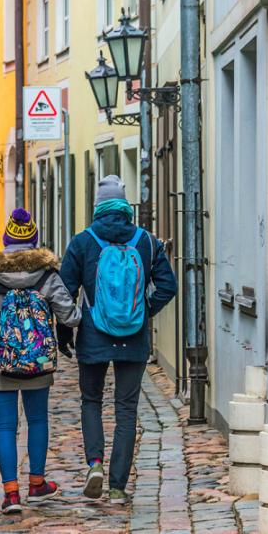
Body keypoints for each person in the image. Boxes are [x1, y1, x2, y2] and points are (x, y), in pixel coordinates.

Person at [59, 175, 178, 504]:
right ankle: (116, 486)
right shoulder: (147, 241)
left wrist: (65, 330)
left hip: (93, 336)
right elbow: (168, 286)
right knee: (127, 410)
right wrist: (142, 311)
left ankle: (94, 464)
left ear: (97, 207)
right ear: (126, 207)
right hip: (134, 339)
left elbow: (64, 291)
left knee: (91, 401)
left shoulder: (82, 242)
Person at [0, 208, 82, 514]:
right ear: (34, 241)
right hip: (38, 360)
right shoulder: (46, 276)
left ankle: (11, 495)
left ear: (6, 241)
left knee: (5, 427)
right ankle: (37, 484)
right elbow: (69, 315)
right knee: (38, 421)